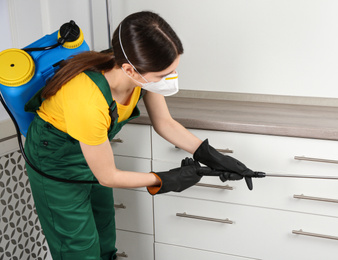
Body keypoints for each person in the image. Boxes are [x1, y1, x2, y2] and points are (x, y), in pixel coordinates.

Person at [24, 11, 257, 260]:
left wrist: (212, 156)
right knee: (79, 250)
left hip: (92, 153)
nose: (168, 80)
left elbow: (165, 123)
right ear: (130, 70)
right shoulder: (87, 100)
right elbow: (108, 176)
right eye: (162, 76)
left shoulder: (140, 73)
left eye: (172, 71)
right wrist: (165, 179)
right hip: (55, 165)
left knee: (104, 238)